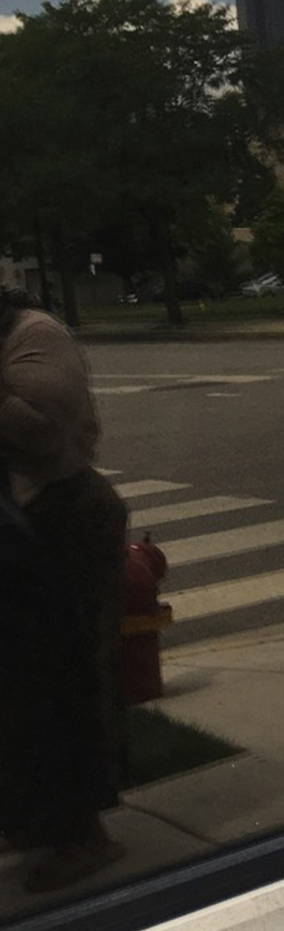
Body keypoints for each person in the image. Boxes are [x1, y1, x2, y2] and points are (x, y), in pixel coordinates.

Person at [0, 286, 129, 893]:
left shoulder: (35, 335)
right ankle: (36, 819)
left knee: (67, 676)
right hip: (22, 528)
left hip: (68, 519)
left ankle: (84, 833)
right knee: (21, 685)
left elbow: (45, 425)